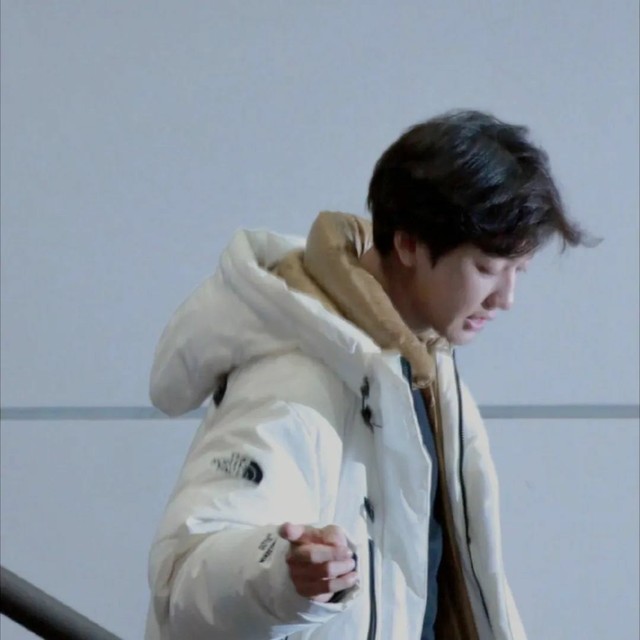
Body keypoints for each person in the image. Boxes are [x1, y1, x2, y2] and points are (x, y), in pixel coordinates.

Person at [145, 110, 590, 640]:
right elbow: (183, 581)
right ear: (408, 244)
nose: (506, 298)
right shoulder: (292, 385)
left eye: (520, 271)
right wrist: (282, 574)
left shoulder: (423, 373)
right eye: (488, 269)